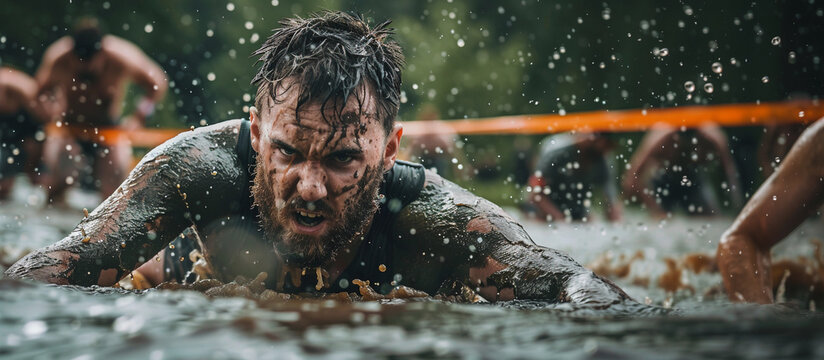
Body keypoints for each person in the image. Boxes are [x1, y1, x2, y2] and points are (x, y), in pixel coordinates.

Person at [6, 12, 630, 306]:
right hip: (181, 271)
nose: (308, 187)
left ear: (389, 151)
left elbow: (573, 285)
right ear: (256, 131)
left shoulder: (434, 219)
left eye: (340, 160)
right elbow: (57, 267)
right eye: (286, 151)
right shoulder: (198, 172)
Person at [35, 18, 167, 202]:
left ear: (102, 52)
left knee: (114, 193)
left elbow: (157, 84)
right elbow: (40, 92)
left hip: (109, 131)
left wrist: (139, 117)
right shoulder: (58, 58)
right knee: (57, 185)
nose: (84, 67)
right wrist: (49, 112)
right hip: (69, 129)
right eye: (80, 60)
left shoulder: (121, 57)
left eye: (89, 61)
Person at [717, 119, 824, 303]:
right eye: (791, 130)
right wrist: (760, 320)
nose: (792, 134)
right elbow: (740, 238)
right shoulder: (818, 143)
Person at [622, 124, 743, 218]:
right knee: (660, 223)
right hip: (663, 181)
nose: (686, 150)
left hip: (695, 182)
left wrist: (738, 205)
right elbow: (631, 178)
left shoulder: (714, 139)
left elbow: (730, 174)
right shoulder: (659, 140)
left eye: (691, 147)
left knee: (710, 220)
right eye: (681, 146)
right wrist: (653, 207)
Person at [523, 132, 623, 223]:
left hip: (576, 212)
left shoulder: (601, 160)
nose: (606, 150)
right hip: (542, 211)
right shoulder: (557, 155)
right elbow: (535, 194)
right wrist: (560, 219)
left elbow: (610, 198)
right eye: (605, 145)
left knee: (591, 221)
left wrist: (616, 224)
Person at [0, 67, 47, 200]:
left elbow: (43, 118)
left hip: (31, 125)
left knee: (37, 175)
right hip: (9, 128)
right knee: (3, 185)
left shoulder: (22, 88)